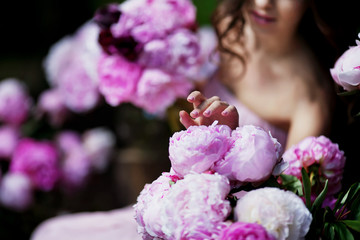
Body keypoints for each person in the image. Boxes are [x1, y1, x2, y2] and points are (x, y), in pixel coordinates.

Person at [31, 0, 358, 239]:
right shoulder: (231, 32)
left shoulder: (309, 98)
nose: (263, 3)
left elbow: (286, 207)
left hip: (221, 221)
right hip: (175, 196)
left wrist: (230, 143)